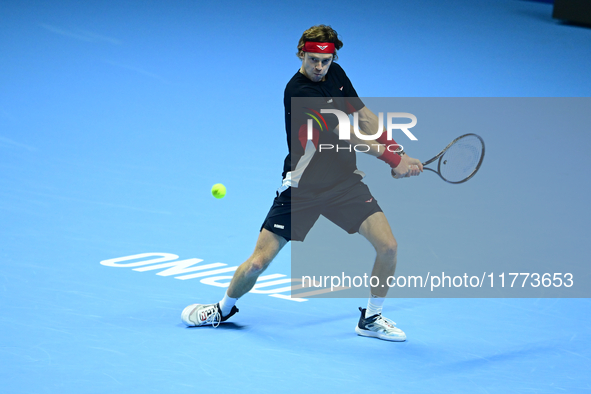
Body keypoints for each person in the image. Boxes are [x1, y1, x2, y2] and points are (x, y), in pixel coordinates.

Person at [181, 25, 422, 341]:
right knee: (257, 263)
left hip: (343, 184)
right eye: (312, 61)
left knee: (388, 246)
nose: (319, 68)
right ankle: (223, 309)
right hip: (301, 189)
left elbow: (362, 115)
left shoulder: (336, 75)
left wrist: (395, 149)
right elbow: (347, 135)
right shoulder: (299, 91)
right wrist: (394, 161)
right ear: (301, 54)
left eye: (325, 61)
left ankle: (371, 318)